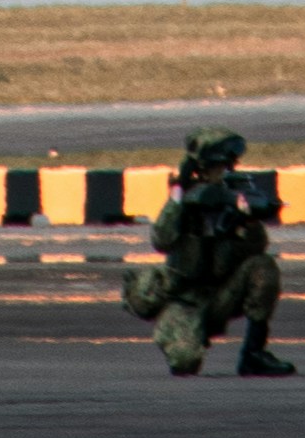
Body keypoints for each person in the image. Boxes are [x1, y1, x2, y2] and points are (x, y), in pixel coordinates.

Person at [122, 126, 293, 377]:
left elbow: (257, 248)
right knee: (184, 363)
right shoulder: (185, 202)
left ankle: (254, 354)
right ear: (203, 168)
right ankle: (173, 332)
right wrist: (178, 197)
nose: (226, 172)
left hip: (222, 294)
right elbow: (162, 239)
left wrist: (244, 223)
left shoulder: (233, 193)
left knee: (263, 267)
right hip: (185, 300)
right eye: (220, 167)